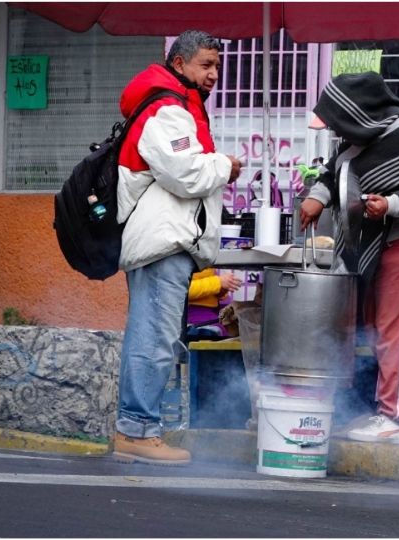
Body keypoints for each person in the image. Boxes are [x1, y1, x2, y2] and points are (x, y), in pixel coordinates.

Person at [113, 30, 242, 465]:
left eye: (217, 66)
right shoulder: (168, 109)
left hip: (167, 241)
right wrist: (225, 165)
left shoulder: (178, 105)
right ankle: (136, 429)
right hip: (161, 242)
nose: (213, 74)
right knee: (153, 336)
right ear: (178, 63)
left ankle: (141, 429)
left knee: (157, 335)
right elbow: (185, 174)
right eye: (205, 65)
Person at [299, 72, 399, 444]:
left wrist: (391, 205)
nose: (337, 133)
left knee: (391, 330)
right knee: (368, 326)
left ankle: (394, 417)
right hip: (371, 244)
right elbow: (333, 171)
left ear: (358, 114)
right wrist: (317, 196)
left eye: (339, 123)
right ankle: (373, 410)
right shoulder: (356, 141)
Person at [186, 268, 243, 336]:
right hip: (190, 315)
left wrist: (222, 288)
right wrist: (218, 282)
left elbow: (210, 288)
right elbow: (179, 289)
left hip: (211, 314)